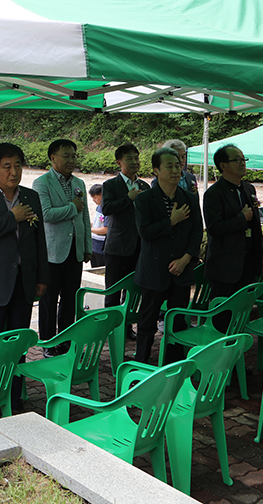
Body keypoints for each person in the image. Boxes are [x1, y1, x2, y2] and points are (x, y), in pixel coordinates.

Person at [0, 142, 48, 410]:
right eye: (6, 166)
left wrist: (41, 277)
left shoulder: (30, 197)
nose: (14, 172)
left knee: (17, 347)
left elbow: (39, 240)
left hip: (24, 283)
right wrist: (11, 217)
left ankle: (12, 399)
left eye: (17, 165)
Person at [133, 147, 203, 364]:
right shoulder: (145, 199)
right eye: (169, 166)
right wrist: (171, 221)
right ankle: (141, 366)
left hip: (181, 271)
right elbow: (145, 232)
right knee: (147, 323)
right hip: (153, 271)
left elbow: (197, 232)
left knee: (178, 323)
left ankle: (174, 366)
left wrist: (185, 259)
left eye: (177, 165)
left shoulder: (189, 198)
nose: (175, 170)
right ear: (156, 170)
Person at [32, 139, 91, 352]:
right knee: (48, 300)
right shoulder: (42, 183)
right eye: (66, 156)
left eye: (74, 156)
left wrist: (86, 246)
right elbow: (46, 214)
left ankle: (65, 341)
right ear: (52, 158)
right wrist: (71, 207)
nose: (71, 160)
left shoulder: (79, 183)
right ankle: (47, 342)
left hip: (75, 251)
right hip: (52, 252)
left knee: (70, 299)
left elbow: (85, 217)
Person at [203, 145, 263, 330]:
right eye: (237, 160)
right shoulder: (213, 194)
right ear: (223, 165)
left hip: (247, 262)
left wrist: (258, 257)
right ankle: (221, 354)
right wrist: (240, 219)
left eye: (244, 159)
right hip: (225, 266)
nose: (242, 164)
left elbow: (256, 227)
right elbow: (214, 228)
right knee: (223, 316)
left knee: (241, 313)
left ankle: (237, 351)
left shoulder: (248, 188)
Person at [101, 144, 151, 337]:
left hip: (140, 247)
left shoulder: (145, 186)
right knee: (113, 290)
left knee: (133, 290)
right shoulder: (110, 185)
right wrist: (128, 198)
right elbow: (106, 208)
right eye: (129, 158)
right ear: (119, 162)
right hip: (118, 246)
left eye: (136, 158)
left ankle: (127, 327)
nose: (134, 162)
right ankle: (109, 329)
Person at [89, 184, 107, 268]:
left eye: (95, 197)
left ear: (101, 195)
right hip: (94, 244)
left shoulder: (107, 208)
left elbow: (105, 229)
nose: (94, 200)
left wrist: (90, 229)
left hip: (101, 245)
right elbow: (97, 223)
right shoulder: (98, 207)